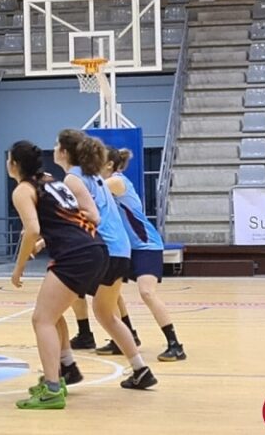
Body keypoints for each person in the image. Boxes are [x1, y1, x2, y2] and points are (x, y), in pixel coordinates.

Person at [8, 140, 108, 409]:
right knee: (52, 315)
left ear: (14, 164)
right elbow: (65, 219)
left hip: (76, 254)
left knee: (41, 319)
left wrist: (18, 268)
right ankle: (64, 370)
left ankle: (52, 388)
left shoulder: (23, 190)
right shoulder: (50, 180)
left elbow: (31, 229)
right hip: (93, 247)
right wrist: (44, 241)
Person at [56, 129, 157, 390]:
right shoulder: (93, 176)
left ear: (65, 152)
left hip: (104, 250)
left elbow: (88, 217)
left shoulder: (73, 178)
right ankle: (141, 369)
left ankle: (66, 368)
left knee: (49, 311)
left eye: (57, 145)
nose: (54, 149)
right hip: (120, 250)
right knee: (105, 314)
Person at [97, 146, 187, 361]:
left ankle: (175, 345)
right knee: (111, 291)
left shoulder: (116, 182)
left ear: (109, 165)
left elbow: (88, 191)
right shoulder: (105, 184)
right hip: (125, 247)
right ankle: (127, 336)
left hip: (146, 245)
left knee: (147, 292)